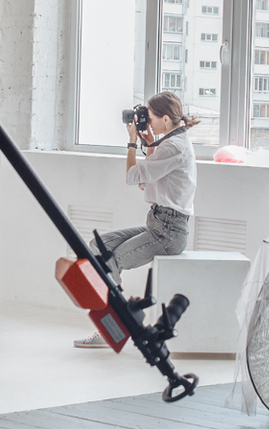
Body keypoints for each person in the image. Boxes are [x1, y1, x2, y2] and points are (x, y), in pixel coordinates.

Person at [74, 92, 198, 347]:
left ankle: (115, 327)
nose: (146, 122)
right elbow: (150, 177)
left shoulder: (174, 146)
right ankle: (114, 322)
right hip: (160, 224)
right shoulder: (171, 142)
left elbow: (133, 176)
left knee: (111, 260)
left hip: (168, 232)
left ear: (166, 119)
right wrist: (150, 144)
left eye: (150, 118)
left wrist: (132, 142)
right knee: (97, 245)